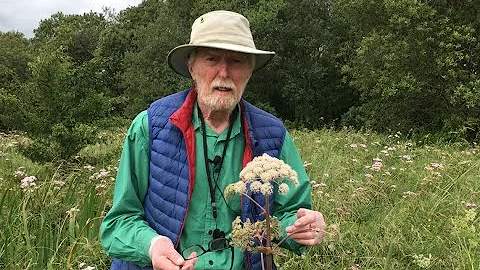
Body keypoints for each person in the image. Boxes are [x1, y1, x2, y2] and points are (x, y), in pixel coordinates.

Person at [100, 10, 325, 270]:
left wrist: (302, 228)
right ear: (191, 66)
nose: (224, 72)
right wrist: (152, 245)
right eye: (211, 59)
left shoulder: (273, 136)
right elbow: (118, 222)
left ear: (250, 71)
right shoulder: (151, 126)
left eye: (237, 61)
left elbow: (290, 215)